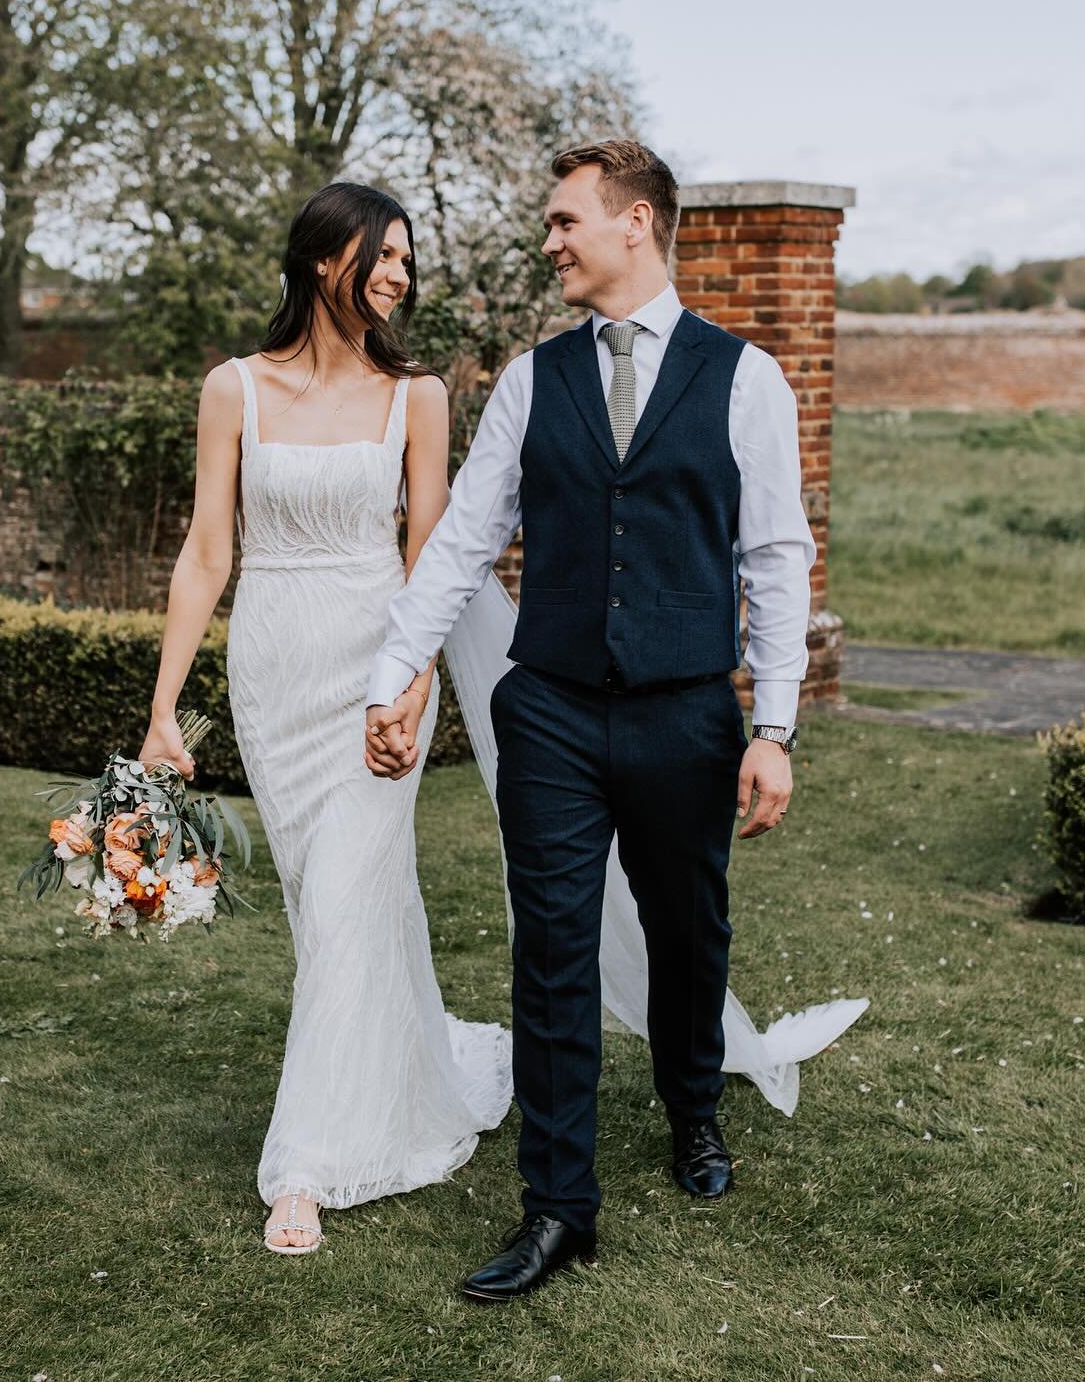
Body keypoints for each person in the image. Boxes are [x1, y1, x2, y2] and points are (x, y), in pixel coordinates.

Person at [365, 139, 868, 1302]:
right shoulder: (534, 383)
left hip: (687, 716)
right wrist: (397, 669)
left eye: (564, 221)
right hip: (546, 709)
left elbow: (779, 559)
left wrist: (774, 727)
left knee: (689, 934)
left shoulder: (745, 379)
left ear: (634, 222)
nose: (549, 242)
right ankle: (558, 1205)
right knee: (550, 951)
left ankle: (693, 1106)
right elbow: (461, 543)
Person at [139, 181, 511, 1257]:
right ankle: (406, 1077)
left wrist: (412, 684)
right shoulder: (233, 389)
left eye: (406, 258)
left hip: (375, 667)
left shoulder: (419, 395)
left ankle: (303, 1162)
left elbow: (428, 564)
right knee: (331, 905)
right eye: (381, 253)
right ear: (320, 261)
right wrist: (166, 706)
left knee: (352, 891)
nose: (397, 272)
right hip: (272, 674)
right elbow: (209, 552)